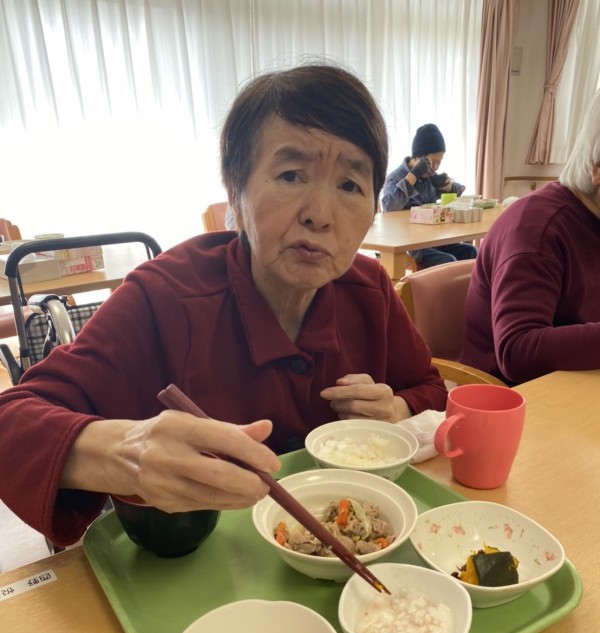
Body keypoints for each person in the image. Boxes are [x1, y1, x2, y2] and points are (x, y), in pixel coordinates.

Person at [0, 63, 447, 548]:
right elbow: (12, 422)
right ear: (235, 188)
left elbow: (430, 387)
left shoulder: (370, 288)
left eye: (349, 186)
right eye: (291, 175)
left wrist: (397, 407)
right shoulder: (165, 297)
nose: (320, 215)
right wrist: (128, 452)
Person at [460, 90, 600, 386]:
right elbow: (517, 351)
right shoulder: (538, 231)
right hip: (509, 394)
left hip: (578, 381)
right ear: (597, 171)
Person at [381, 123, 477, 268]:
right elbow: (389, 207)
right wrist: (413, 176)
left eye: (440, 161)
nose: (436, 167)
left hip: (433, 240)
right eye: (434, 161)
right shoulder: (395, 177)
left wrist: (448, 186)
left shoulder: (430, 177)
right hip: (410, 246)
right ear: (418, 157)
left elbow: (459, 190)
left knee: (470, 252)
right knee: (449, 261)